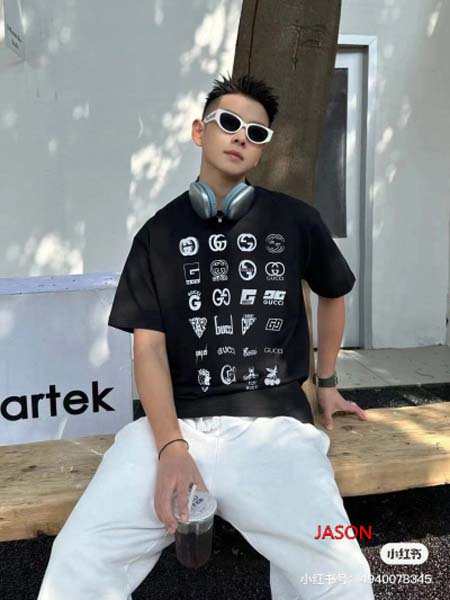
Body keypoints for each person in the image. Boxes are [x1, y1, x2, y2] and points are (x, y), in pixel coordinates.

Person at [37, 73, 375, 599]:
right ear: (200, 131)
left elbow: (335, 292)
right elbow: (148, 350)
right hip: (175, 426)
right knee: (79, 560)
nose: (241, 136)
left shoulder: (296, 221)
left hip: (274, 428)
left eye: (256, 133)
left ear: (261, 150)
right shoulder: (157, 233)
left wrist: (326, 381)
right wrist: (171, 447)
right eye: (229, 122)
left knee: (341, 580)